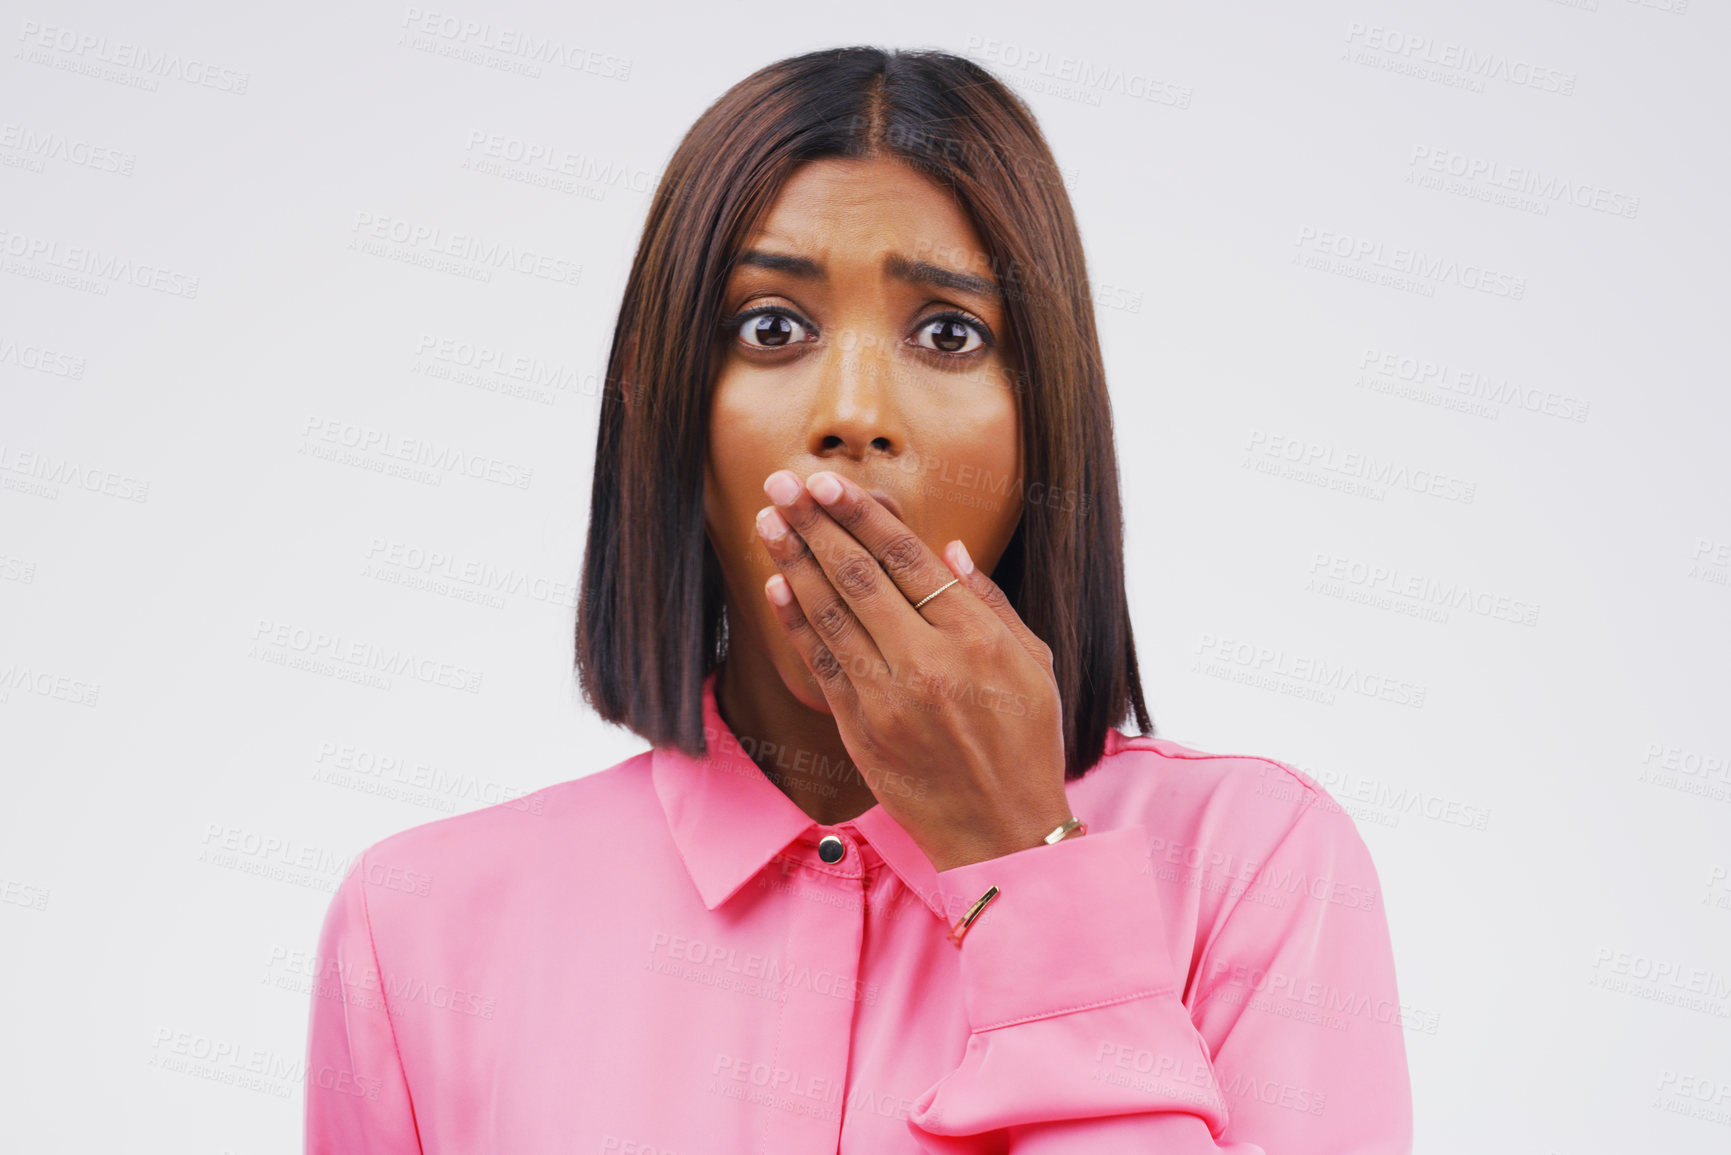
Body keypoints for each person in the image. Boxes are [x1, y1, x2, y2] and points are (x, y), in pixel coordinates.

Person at [305, 46, 1412, 1154]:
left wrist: (1023, 856)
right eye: (771, 327)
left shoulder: (1255, 871)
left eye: (948, 333)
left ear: (1042, 421)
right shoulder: (417, 929)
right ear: (667, 411)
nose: (853, 413)